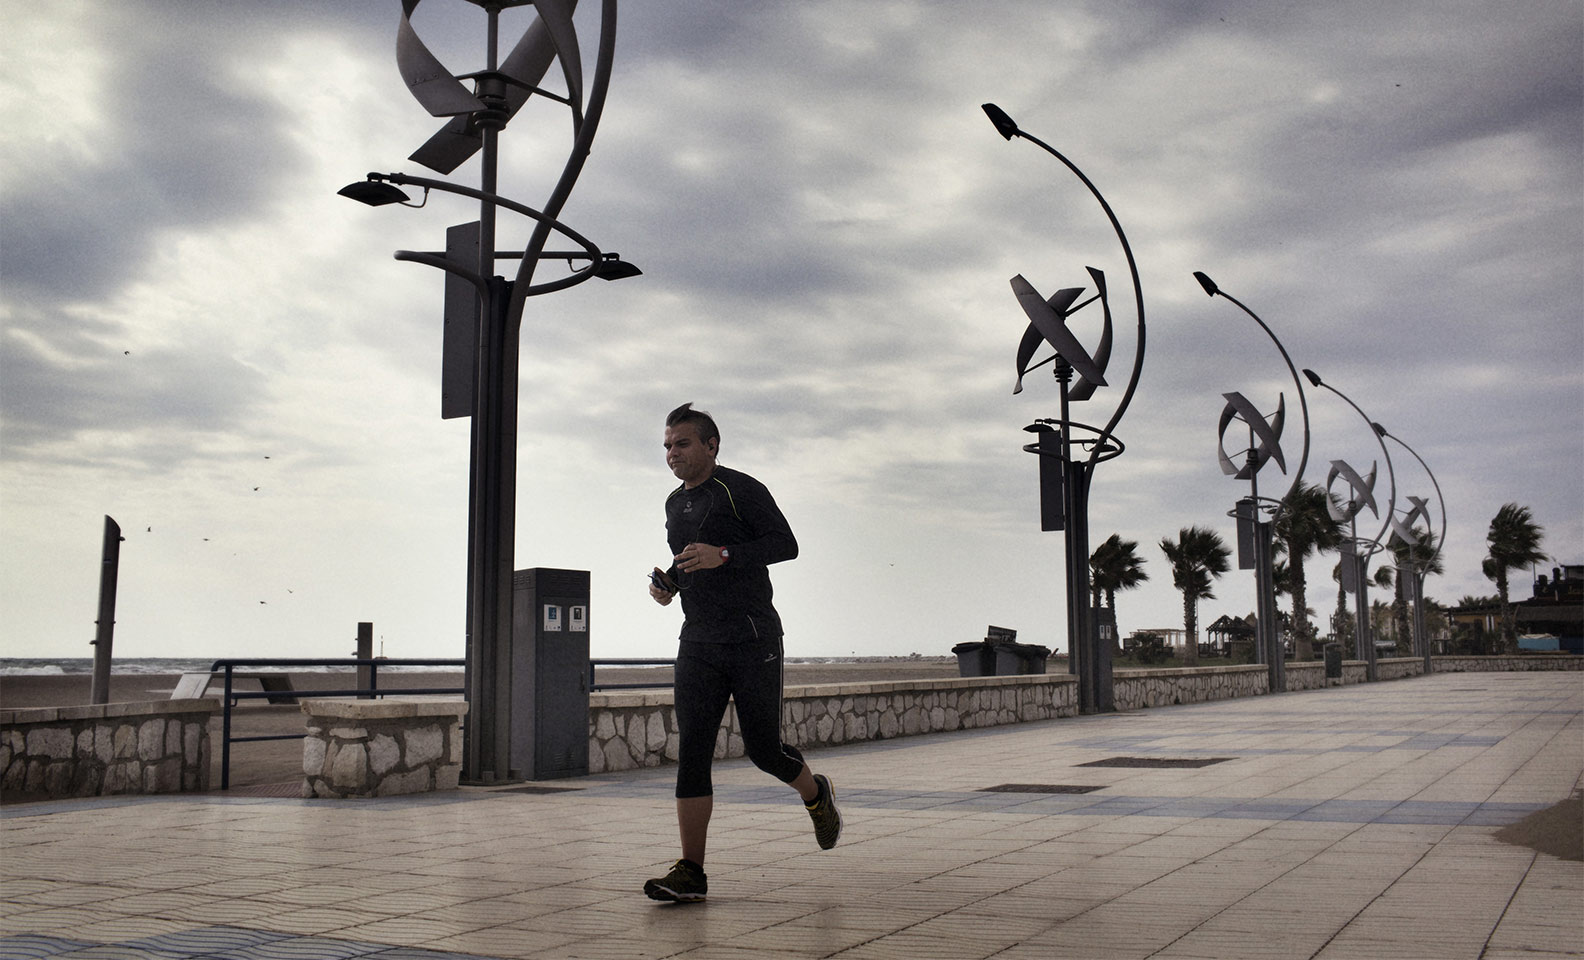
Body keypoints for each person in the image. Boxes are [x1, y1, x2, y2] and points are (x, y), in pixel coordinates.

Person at [642, 402, 841, 903]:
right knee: (693, 753)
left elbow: (785, 544)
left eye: (682, 443)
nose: (672, 453)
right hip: (699, 642)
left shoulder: (742, 489)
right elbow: (690, 560)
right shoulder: (674, 504)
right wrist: (670, 584)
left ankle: (816, 795)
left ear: (711, 445)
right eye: (667, 445)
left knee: (764, 750)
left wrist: (724, 554)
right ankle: (691, 870)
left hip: (753, 639)